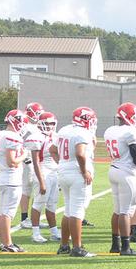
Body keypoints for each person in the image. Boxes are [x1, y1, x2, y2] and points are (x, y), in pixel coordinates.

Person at [52, 106, 98, 258]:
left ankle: (64, 245)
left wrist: (62, 163)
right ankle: (77, 248)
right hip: (76, 174)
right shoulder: (82, 132)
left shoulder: (65, 129)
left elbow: (52, 150)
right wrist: (84, 171)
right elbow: (80, 154)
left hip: (64, 172)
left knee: (68, 210)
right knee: (77, 211)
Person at [103, 102, 136, 256]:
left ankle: (115, 244)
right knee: (126, 212)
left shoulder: (110, 130)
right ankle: (125, 247)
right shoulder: (131, 131)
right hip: (127, 173)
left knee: (117, 211)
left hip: (114, 169)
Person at [0, 109, 28, 253]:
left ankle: (4, 242)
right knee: (7, 213)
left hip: (2, 177)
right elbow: (12, 162)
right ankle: (7, 244)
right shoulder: (13, 137)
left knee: (1, 212)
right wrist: (24, 155)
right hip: (11, 178)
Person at [28, 112, 61, 243]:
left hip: (54, 172)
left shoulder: (56, 136)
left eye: (52, 123)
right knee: (39, 203)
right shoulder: (36, 137)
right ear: (40, 124)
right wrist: (41, 181)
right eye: (47, 123)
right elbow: (35, 161)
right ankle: (35, 232)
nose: (50, 126)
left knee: (52, 204)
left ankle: (54, 232)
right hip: (42, 171)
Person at [19, 102, 44, 230]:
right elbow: (21, 144)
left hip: (34, 160)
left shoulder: (34, 126)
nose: (39, 115)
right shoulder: (27, 127)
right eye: (38, 112)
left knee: (35, 188)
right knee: (27, 189)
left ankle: (35, 218)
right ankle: (24, 219)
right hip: (27, 161)